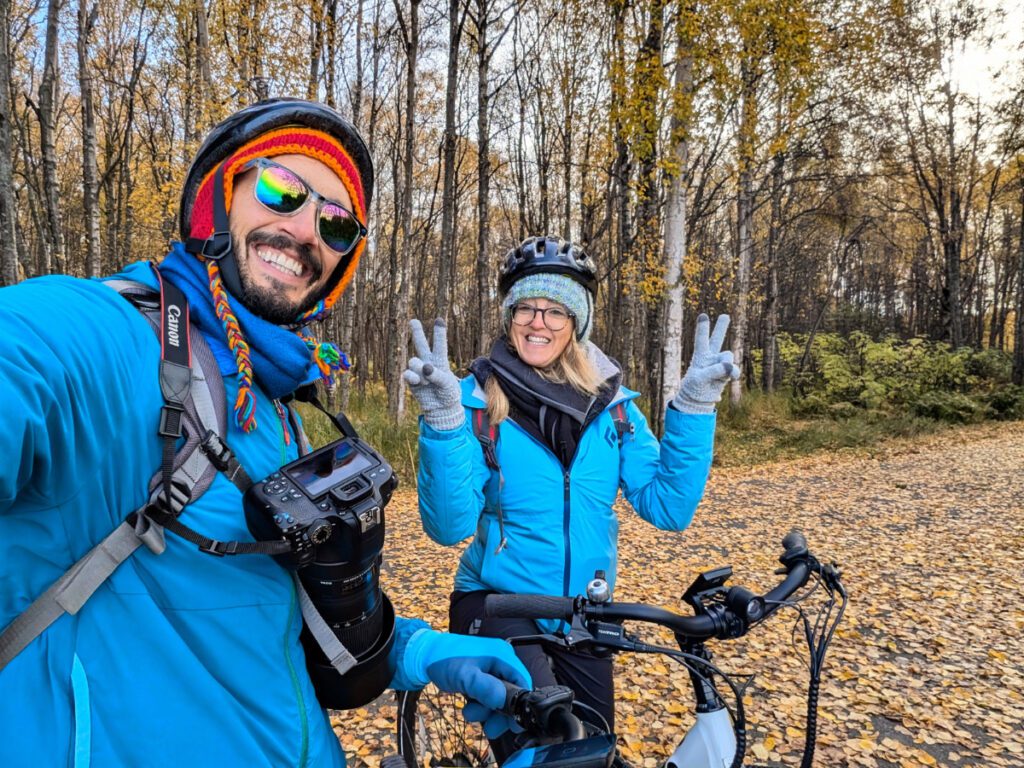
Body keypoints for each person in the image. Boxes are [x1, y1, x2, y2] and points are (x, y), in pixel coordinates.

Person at [0, 98, 529, 767]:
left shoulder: (275, 410)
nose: (307, 229)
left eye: (337, 226)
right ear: (216, 200)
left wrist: (418, 652)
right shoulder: (102, 335)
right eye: (283, 189)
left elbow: (267, 616)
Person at [404, 235, 738, 759]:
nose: (539, 322)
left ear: (576, 322)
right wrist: (443, 424)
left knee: (597, 750)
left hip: (587, 612)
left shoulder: (615, 407)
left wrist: (694, 406)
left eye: (556, 310)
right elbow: (449, 527)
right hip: (498, 601)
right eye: (526, 308)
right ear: (510, 316)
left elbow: (668, 507)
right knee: (551, 748)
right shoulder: (472, 403)